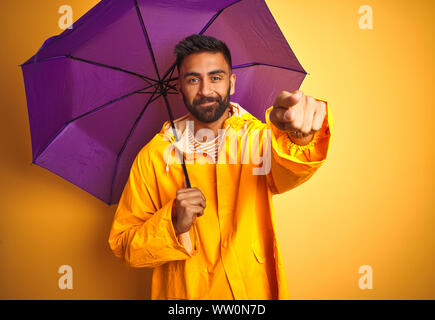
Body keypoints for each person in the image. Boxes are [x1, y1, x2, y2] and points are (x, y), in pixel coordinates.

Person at [108, 34, 332, 300]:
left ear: (231, 83)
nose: (205, 91)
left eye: (215, 77)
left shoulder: (258, 139)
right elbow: (125, 247)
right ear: (179, 87)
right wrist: (173, 222)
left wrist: (301, 135)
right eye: (193, 79)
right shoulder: (153, 157)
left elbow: (291, 171)